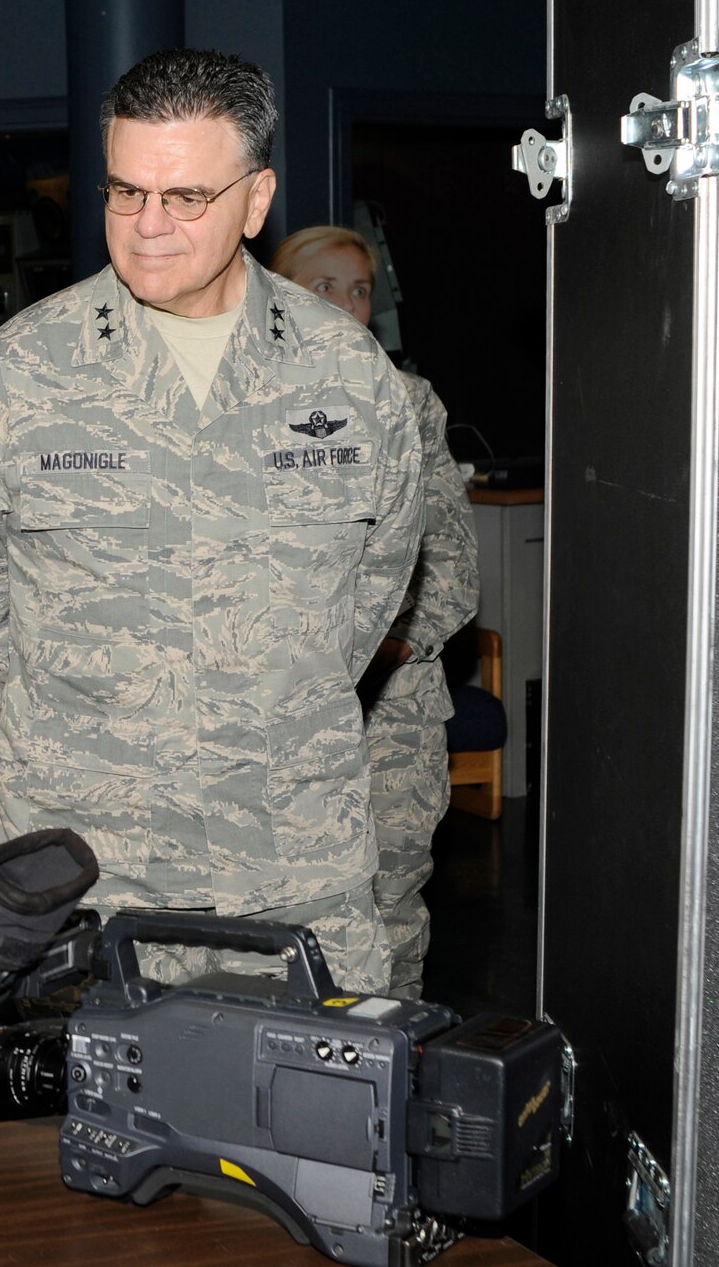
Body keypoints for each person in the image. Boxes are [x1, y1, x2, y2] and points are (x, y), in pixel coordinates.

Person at [0, 49, 423, 992]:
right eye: (124, 192)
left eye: (185, 197)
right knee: (87, 1136)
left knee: (309, 1130)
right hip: (87, 870)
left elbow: (371, 593)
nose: (147, 227)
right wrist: (80, 731)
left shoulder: (348, 380)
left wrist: (260, 704)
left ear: (257, 198)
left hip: (292, 867)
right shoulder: (24, 373)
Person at [272, 225, 478, 999]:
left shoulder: (409, 406)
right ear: (282, 296)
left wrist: (390, 646)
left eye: (360, 289)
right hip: (271, 711)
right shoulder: (234, 404)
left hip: (389, 710)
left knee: (389, 908)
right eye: (325, 286)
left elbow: (452, 564)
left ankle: (391, 1088)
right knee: (278, 919)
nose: (347, 304)